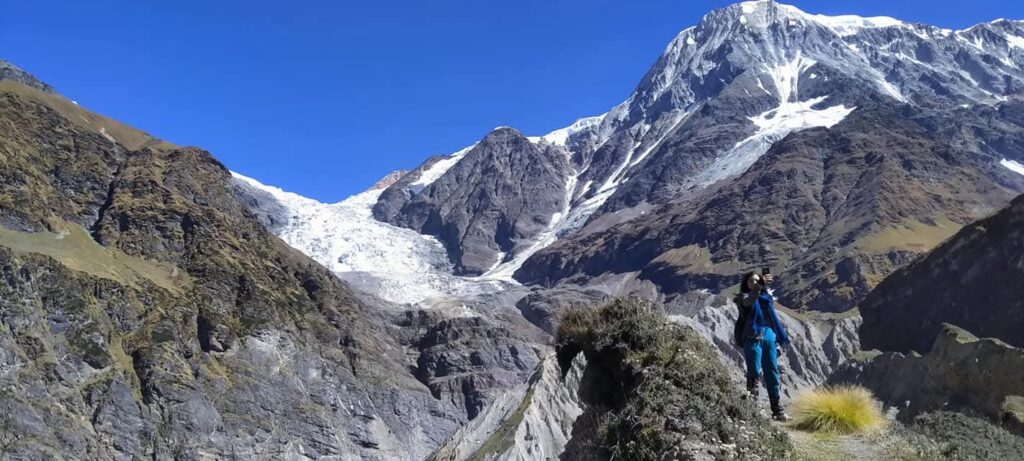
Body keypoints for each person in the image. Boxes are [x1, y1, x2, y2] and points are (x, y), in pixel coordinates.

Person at [733, 271, 791, 421]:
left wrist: (776, 344)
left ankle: (777, 411)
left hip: (769, 337)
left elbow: (771, 320)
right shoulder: (743, 299)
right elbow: (750, 300)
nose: (754, 283)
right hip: (752, 338)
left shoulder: (766, 299)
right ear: (746, 284)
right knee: (753, 373)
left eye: (757, 280)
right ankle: (752, 410)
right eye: (751, 281)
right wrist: (759, 286)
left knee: (772, 372)